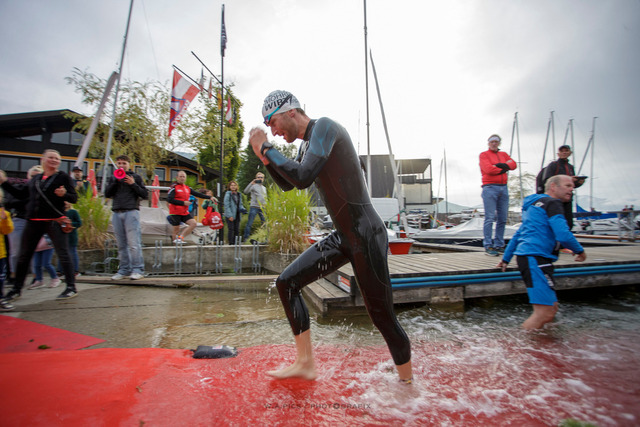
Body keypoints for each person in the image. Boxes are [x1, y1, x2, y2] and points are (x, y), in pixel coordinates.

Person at [248, 90, 412, 382]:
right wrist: (265, 156)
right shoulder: (305, 146)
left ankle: (408, 383)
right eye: (268, 128)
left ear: (290, 112)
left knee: (382, 317)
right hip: (344, 237)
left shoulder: (325, 127)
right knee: (287, 283)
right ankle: (305, 363)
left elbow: (303, 176)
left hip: (367, 235)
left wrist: (266, 147)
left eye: (272, 123)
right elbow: (289, 184)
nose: (273, 131)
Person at [497, 175, 587, 330]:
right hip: (535, 258)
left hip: (532, 258)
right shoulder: (552, 203)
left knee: (552, 308)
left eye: (572, 187)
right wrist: (580, 251)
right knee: (545, 313)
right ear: (553, 186)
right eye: (567, 186)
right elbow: (563, 234)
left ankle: (544, 342)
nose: (572, 190)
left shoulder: (534, 206)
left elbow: (519, 234)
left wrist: (506, 258)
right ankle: (524, 343)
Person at [0, 149, 78, 301]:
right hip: (33, 221)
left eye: (57, 158)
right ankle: (16, 289)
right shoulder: (36, 179)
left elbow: (74, 198)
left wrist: (64, 195)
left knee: (63, 253)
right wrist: (4, 182)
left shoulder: (63, 177)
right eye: (51, 157)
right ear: (43, 159)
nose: (54, 160)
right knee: (24, 255)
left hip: (54, 220)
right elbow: (21, 194)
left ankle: (71, 287)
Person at [104, 154, 148, 280]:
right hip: (117, 212)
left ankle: (138, 269)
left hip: (131, 211)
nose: (121, 165)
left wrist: (133, 184)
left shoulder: (136, 177)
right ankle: (124, 269)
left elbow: (145, 194)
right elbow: (107, 194)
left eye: (124, 163)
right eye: (119, 163)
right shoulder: (113, 178)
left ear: (129, 164)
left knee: (134, 243)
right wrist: (115, 182)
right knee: (121, 244)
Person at [3, 165, 43, 285]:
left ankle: (36, 277)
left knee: (35, 250)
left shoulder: (43, 191)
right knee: (15, 252)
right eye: (32, 176)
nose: (34, 178)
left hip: (36, 222)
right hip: (19, 220)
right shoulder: (19, 188)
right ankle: (14, 276)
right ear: (28, 176)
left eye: (37, 176)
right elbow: (9, 202)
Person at [479, 134, 517, 256]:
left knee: (502, 218)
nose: (494, 144)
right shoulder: (484, 155)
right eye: (492, 142)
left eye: (496, 141)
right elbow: (488, 169)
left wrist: (500, 166)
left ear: (499, 143)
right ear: (488, 143)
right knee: (489, 218)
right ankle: (488, 245)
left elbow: (513, 164)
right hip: (489, 187)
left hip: (503, 187)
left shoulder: (504, 154)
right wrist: (504, 168)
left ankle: (499, 244)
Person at [536, 145, 585, 230]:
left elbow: (570, 184)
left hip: (567, 198)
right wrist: (568, 179)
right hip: (555, 199)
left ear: (570, 153)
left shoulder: (570, 167)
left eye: (566, 151)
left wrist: (578, 182)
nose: (564, 153)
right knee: (556, 221)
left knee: (568, 223)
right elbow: (547, 181)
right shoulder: (553, 165)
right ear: (558, 154)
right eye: (562, 151)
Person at [167, 171, 212, 244]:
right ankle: (175, 246)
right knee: (176, 229)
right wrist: (183, 203)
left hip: (184, 212)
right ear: (177, 178)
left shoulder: (187, 188)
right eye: (180, 176)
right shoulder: (174, 187)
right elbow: (169, 199)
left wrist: (209, 197)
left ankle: (181, 238)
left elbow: (198, 194)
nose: (182, 178)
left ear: (185, 178)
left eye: (183, 177)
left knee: (193, 223)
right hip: (175, 212)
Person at [57, 201, 82, 277]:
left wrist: (70, 224)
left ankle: (75, 271)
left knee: (72, 253)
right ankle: (60, 270)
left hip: (71, 236)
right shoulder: (60, 212)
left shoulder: (73, 212)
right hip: (62, 236)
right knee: (61, 253)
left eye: (67, 201)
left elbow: (79, 223)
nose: (65, 203)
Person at [0, 190, 15, 311]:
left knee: (1, 278)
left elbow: (7, 230)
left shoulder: (3, 213)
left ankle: (1, 298)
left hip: (0, 252)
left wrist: (4, 219)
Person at [243, 172, 267, 241]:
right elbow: (245, 191)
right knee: (250, 223)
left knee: (264, 223)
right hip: (254, 207)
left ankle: (264, 237)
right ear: (256, 178)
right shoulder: (253, 186)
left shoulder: (264, 188)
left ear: (263, 179)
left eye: (261, 177)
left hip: (262, 207)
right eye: (258, 177)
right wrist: (251, 183)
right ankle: (246, 237)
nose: (260, 178)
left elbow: (265, 197)